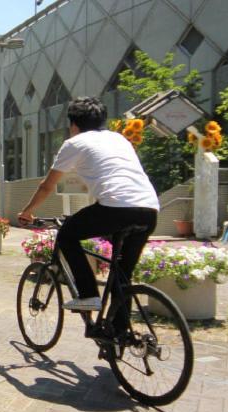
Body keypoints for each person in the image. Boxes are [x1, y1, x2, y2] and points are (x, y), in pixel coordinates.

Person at [18, 97, 159, 314]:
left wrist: (27, 211)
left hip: (115, 208)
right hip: (149, 209)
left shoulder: (74, 143)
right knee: (122, 276)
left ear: (74, 124)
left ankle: (89, 295)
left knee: (67, 235)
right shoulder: (120, 139)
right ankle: (119, 337)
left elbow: (46, 186)